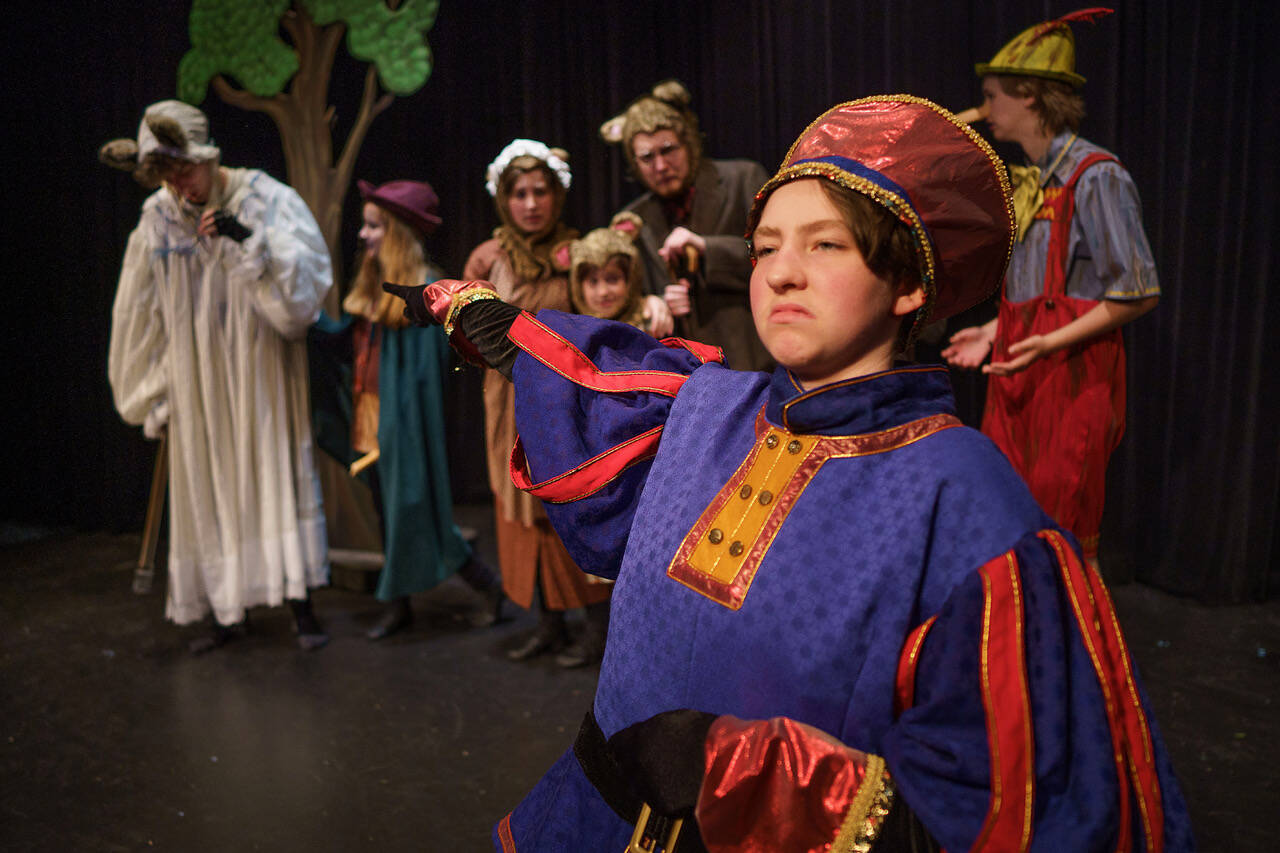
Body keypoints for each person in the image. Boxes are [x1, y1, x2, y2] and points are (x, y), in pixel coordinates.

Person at [387, 95, 1192, 851]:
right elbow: (596, 382)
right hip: (592, 821)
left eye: (825, 245)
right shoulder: (704, 409)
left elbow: (1013, 800)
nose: (779, 272)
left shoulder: (966, 501)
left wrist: (737, 766)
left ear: (908, 285)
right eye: (766, 245)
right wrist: (494, 325)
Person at [101, 100, 331, 652]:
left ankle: (300, 603)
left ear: (208, 156)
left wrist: (248, 240)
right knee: (210, 483)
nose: (179, 185)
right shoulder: (157, 218)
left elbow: (302, 299)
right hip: (198, 378)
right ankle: (227, 613)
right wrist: (153, 389)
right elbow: (139, 312)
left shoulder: (265, 197)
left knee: (273, 469)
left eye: (184, 169)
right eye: (166, 175)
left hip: (261, 367)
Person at [943, 9, 1159, 566]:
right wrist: (996, 330)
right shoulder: (1032, 181)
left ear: (1029, 97)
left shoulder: (1096, 175)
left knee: (1061, 518)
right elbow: (1042, 288)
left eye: (993, 97)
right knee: (1011, 512)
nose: (987, 110)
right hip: (1021, 369)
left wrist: (1049, 342)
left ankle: (1067, 644)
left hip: (1071, 378)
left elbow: (1136, 292)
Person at [311, 179, 502, 639]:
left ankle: (407, 602)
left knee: (410, 509)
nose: (363, 235)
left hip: (401, 420)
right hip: (371, 412)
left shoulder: (425, 294)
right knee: (390, 511)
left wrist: (400, 427)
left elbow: (421, 376)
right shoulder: (374, 286)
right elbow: (350, 339)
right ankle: (466, 591)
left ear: (396, 232)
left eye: (374, 226)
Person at [462, 139, 610, 668]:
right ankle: (548, 625)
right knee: (523, 510)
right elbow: (468, 331)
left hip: (566, 401)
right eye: (519, 193)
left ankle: (596, 630)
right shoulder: (488, 257)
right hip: (508, 401)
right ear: (504, 198)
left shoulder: (579, 252)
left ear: (556, 195)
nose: (531, 203)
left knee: (571, 503)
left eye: (540, 191)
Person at [601, 80, 773, 370]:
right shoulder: (634, 220)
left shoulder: (742, 179)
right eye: (647, 157)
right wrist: (648, 302)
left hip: (753, 361)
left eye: (668, 149)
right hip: (684, 378)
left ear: (689, 143)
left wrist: (707, 247)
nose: (660, 165)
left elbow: (776, 256)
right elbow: (616, 296)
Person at [560, 212, 651, 329]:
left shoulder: (652, 321)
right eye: (593, 282)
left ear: (631, 279)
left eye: (612, 280)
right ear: (578, 286)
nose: (603, 292)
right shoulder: (573, 334)